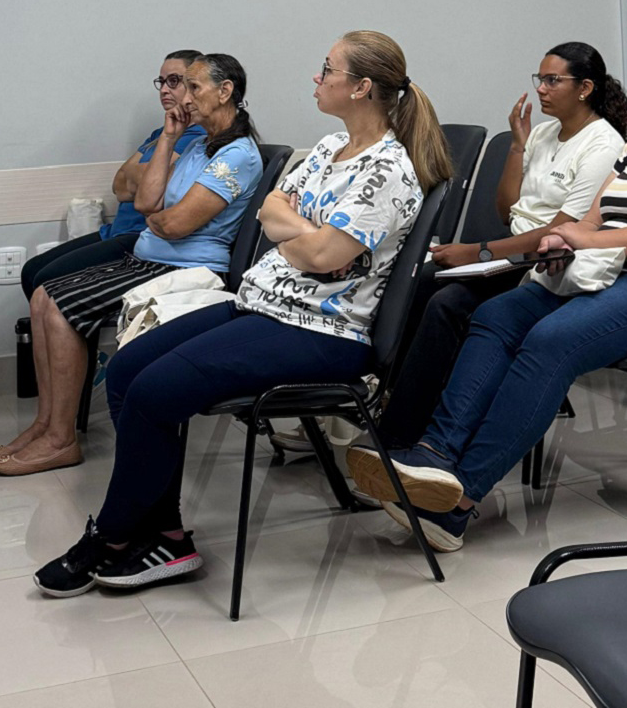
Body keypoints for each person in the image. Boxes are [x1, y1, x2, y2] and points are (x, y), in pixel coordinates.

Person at [31, 30, 452, 597]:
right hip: (262, 305)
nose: (316, 77)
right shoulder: (328, 149)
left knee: (156, 393)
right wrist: (302, 233)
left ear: (361, 87)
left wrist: (301, 236)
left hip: (323, 330)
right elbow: (274, 213)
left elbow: (326, 255)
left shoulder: (389, 171)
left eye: (326, 70)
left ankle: (111, 537)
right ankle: (164, 534)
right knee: (129, 369)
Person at [348, 38, 627, 553]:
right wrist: (561, 238)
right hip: (615, 278)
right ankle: (435, 455)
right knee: (499, 314)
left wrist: (588, 239)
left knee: (551, 339)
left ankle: (457, 503)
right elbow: (592, 217)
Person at [0, 54, 263, 476]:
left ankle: (62, 441)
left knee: (61, 308)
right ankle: (45, 425)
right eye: (180, 86)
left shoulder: (238, 155)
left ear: (225, 92)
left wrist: (159, 219)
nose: (183, 98)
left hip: (185, 268)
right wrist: (169, 139)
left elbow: (173, 224)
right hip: (150, 256)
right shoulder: (197, 145)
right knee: (43, 295)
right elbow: (144, 202)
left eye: (194, 87)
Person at [374, 42, 627, 449]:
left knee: (448, 305)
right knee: (418, 281)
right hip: (511, 252)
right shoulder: (545, 133)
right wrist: (517, 145)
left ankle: (401, 431)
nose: (542, 89)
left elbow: (563, 230)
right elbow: (508, 208)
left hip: (548, 263)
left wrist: (478, 252)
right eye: (540, 80)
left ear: (585, 88)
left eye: (552, 81)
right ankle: (388, 400)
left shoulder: (604, 145)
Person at [18, 51, 206, 295]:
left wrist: (140, 178)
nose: (163, 90)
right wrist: (146, 176)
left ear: (195, 86)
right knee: (31, 270)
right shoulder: (160, 134)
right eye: (161, 82)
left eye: (173, 81)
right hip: (113, 232)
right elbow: (119, 184)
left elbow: (152, 193)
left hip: (141, 238)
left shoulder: (198, 138)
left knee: (45, 280)